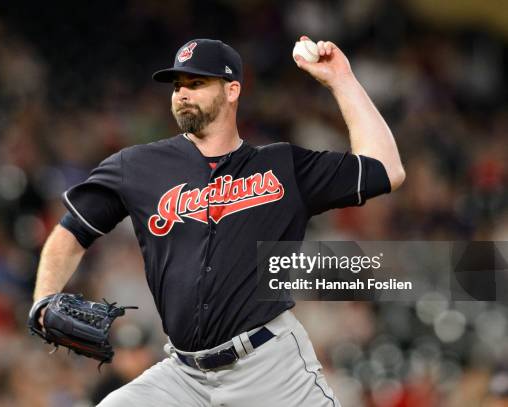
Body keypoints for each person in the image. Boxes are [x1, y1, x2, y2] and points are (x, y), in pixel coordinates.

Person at [32, 37, 405, 406]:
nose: (182, 93)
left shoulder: (283, 166)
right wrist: (43, 300)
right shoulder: (136, 167)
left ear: (232, 90)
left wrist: (341, 80)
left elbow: (387, 169)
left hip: (269, 366)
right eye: (177, 85)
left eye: (197, 83)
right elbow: (71, 232)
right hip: (184, 375)